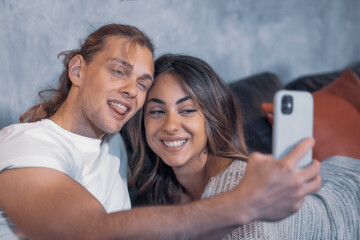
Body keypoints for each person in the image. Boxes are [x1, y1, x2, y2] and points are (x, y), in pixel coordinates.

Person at [0, 24, 322, 239]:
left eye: (142, 83)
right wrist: (242, 205)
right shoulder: (25, 145)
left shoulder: (115, 145)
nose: (131, 91)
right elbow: (90, 231)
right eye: (118, 71)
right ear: (78, 69)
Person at [127, 53, 360, 239]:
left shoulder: (238, 198)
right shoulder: (162, 189)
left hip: (348, 203)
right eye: (157, 111)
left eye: (187, 110)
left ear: (212, 117)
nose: (170, 125)